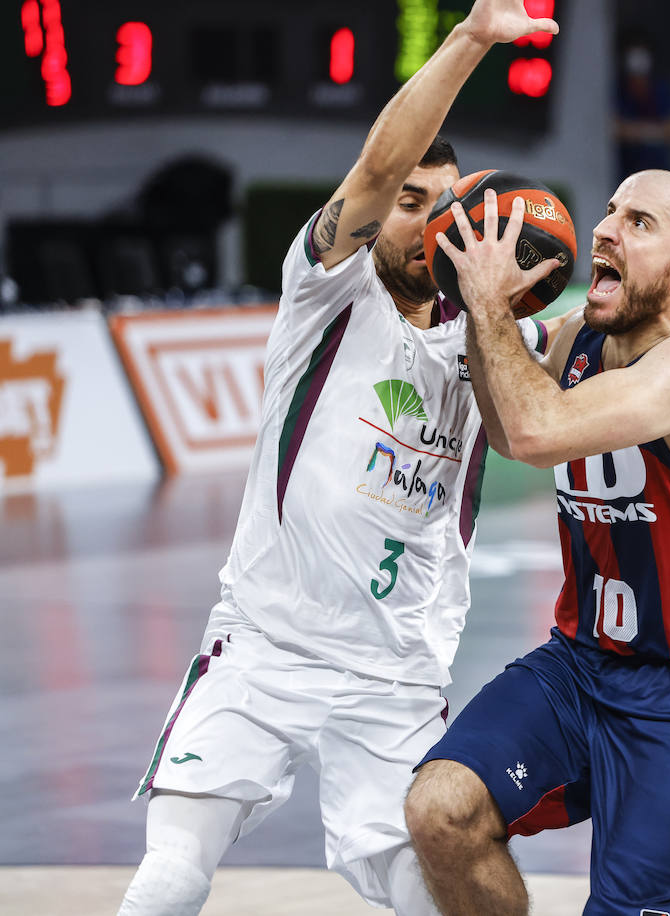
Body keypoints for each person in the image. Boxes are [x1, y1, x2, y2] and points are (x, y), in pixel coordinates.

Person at [117, 3, 562, 914]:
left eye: (442, 209)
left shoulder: (493, 338)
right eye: (407, 205)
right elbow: (376, 166)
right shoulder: (329, 287)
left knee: (424, 886)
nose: (423, 225)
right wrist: (472, 38)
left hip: (395, 671)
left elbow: (582, 359)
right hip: (265, 640)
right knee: (172, 873)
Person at [403, 169, 670, 916]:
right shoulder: (582, 335)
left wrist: (487, 306)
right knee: (441, 811)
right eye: (609, 211)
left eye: (638, 222)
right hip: (581, 668)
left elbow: (536, 430)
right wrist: (475, 300)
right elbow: (506, 407)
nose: (606, 229)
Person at [613, 31, 670, 180]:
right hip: (626, 176)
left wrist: (636, 132)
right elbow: (614, 129)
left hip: (660, 174)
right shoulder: (617, 90)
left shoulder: (661, 88)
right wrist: (659, 131)